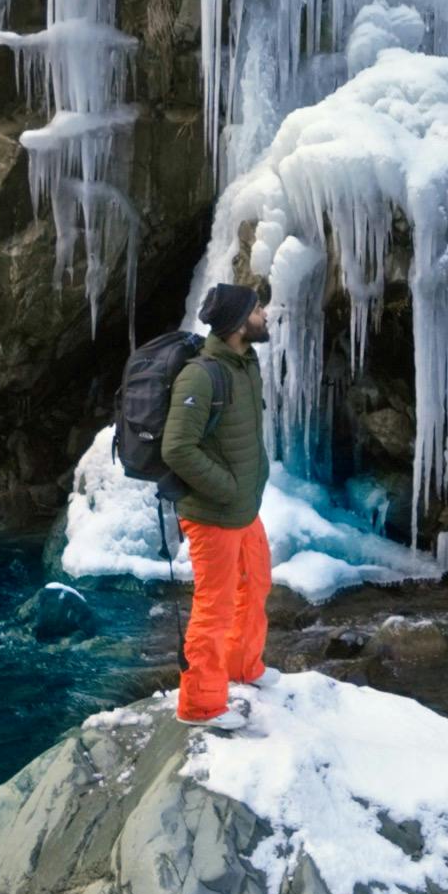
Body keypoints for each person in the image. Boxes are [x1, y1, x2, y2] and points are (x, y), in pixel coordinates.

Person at [161, 282, 272, 726]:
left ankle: (243, 669)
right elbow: (177, 449)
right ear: (237, 323)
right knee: (214, 607)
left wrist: (254, 479)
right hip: (213, 513)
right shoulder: (201, 375)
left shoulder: (245, 363)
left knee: (256, 583)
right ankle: (200, 706)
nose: (264, 315)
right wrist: (226, 488)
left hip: (244, 508)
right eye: (257, 310)